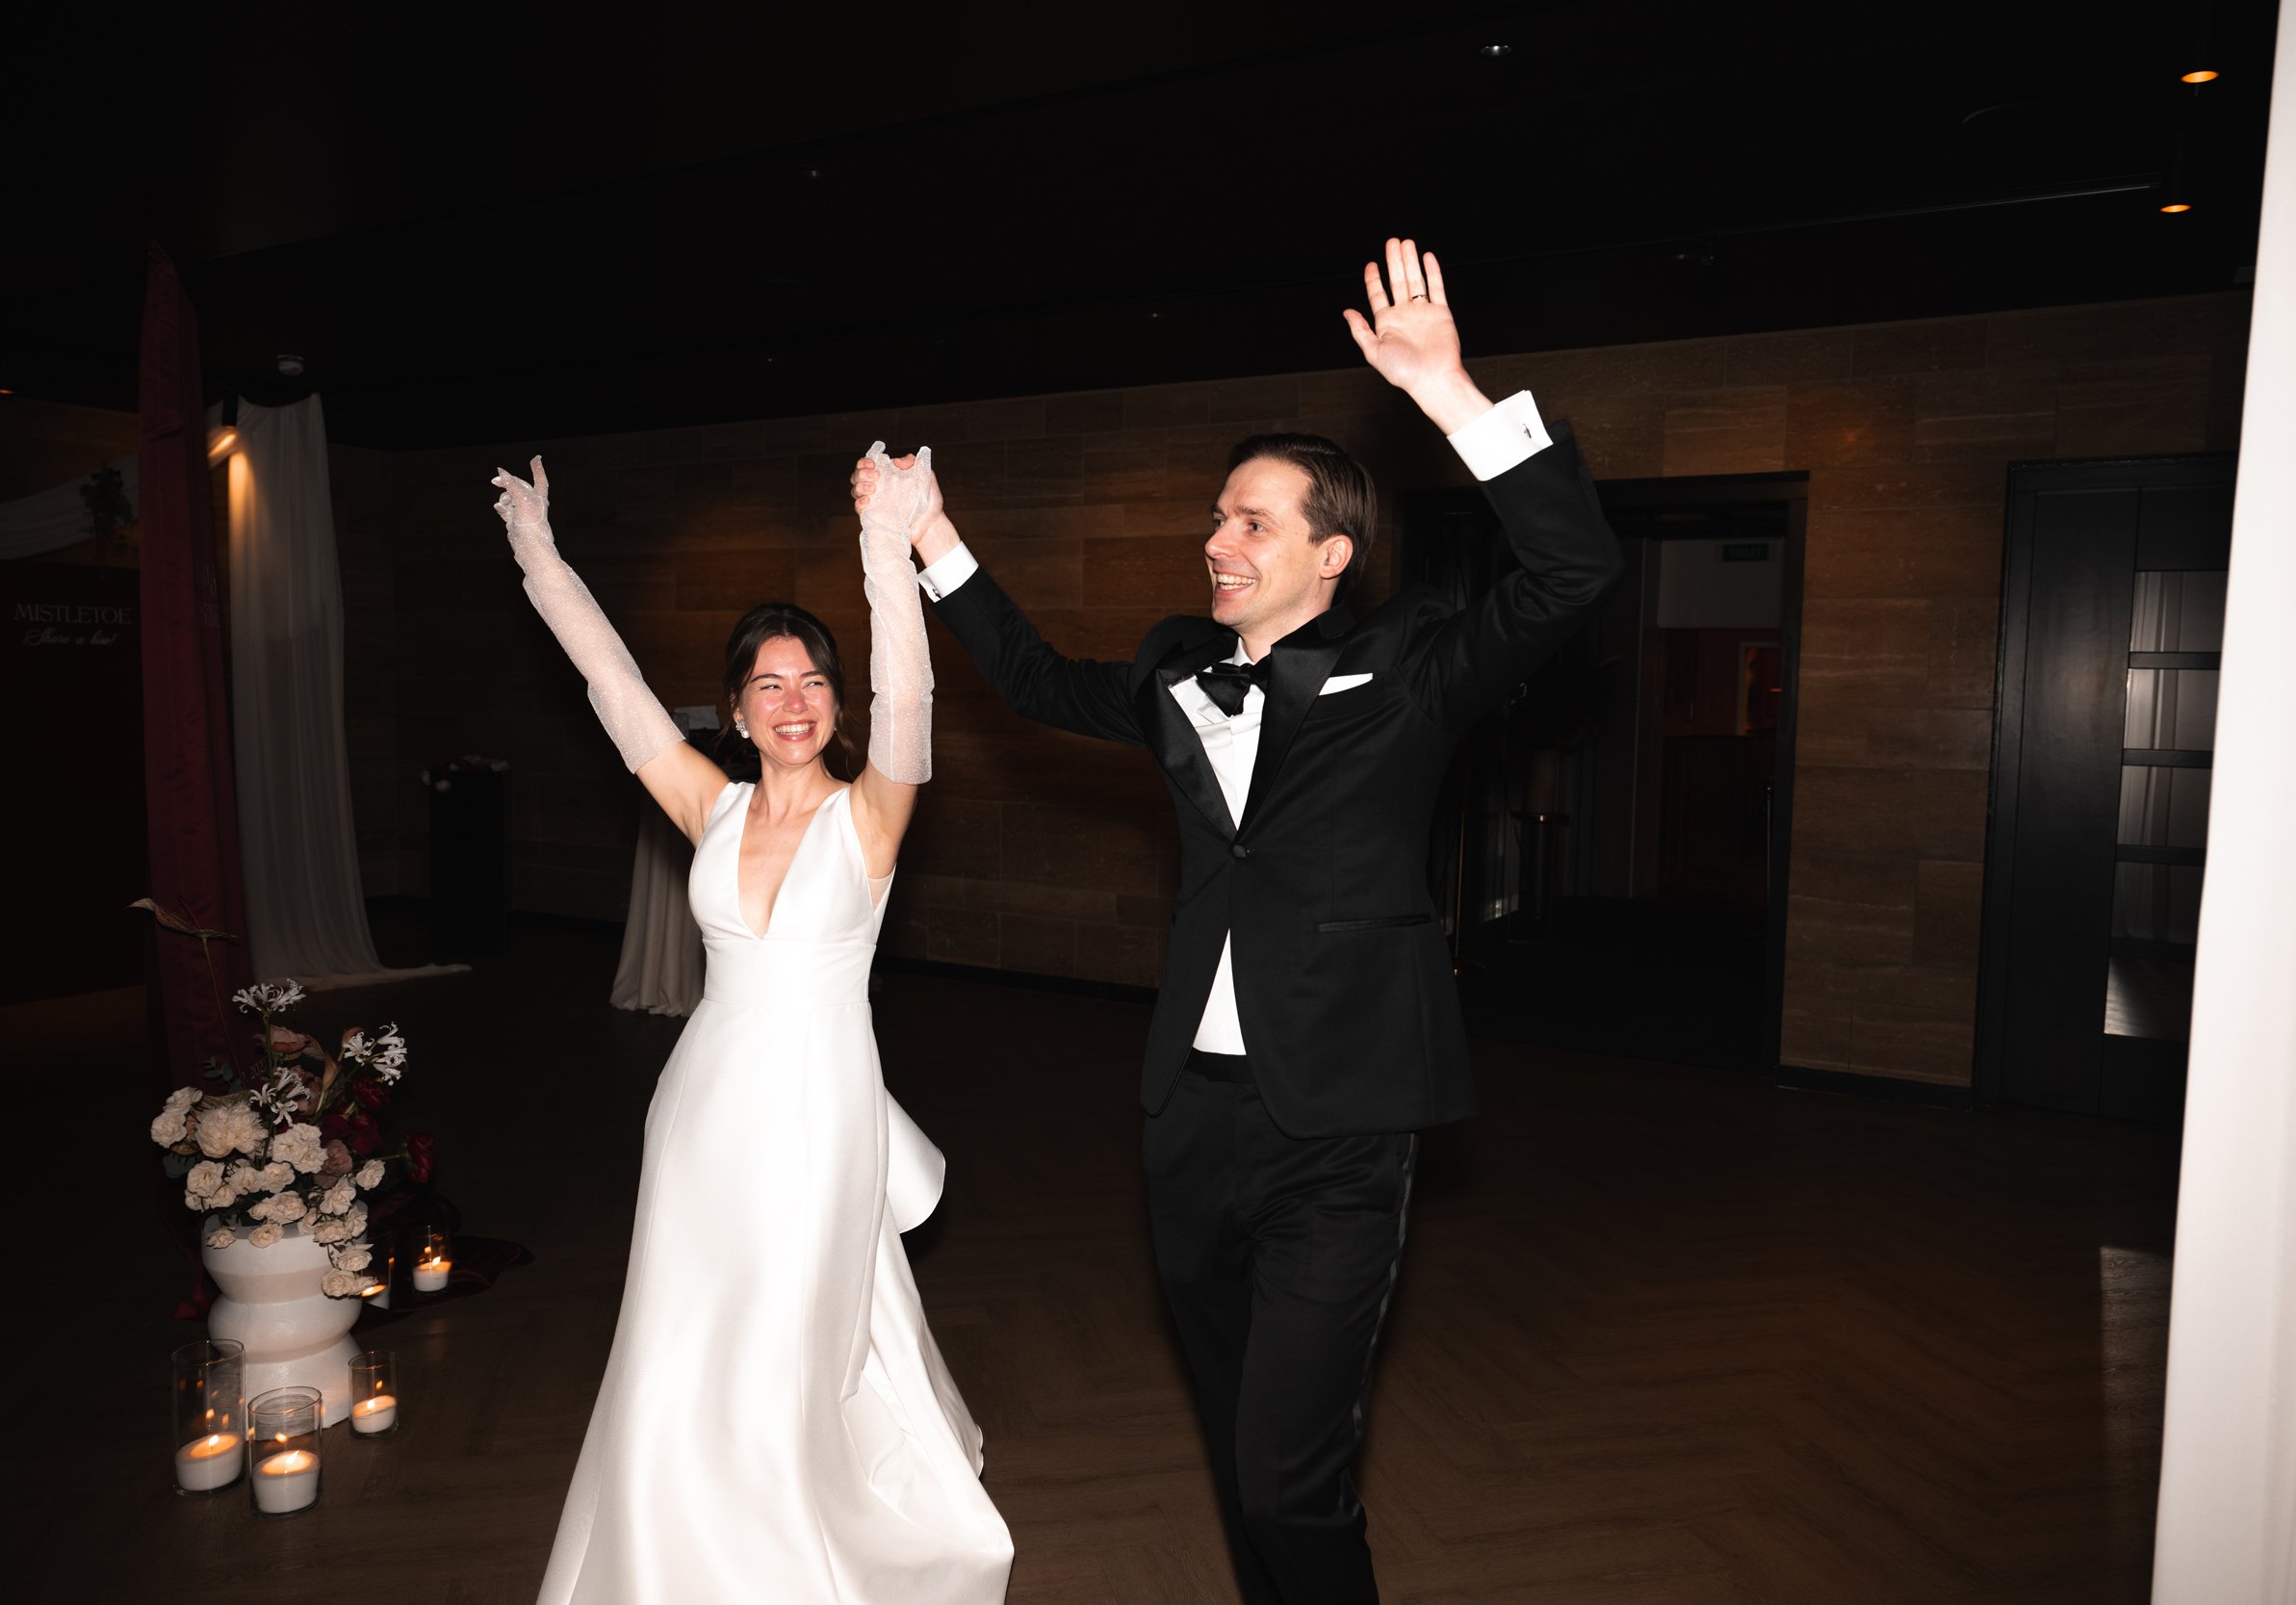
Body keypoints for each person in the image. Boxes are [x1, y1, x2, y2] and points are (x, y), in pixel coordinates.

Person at [852, 238, 1620, 1604]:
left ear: (1332, 553)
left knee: (1288, 1471)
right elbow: (1033, 678)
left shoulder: (1411, 667)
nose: (1219, 540)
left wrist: (1449, 394)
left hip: (1341, 1120)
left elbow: (1572, 571)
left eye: (1254, 523)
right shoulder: (1176, 670)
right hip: (1189, 1121)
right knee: (1238, 1436)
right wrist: (930, 534)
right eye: (1219, 516)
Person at [492, 448, 1013, 1603]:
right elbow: (612, 682)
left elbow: (911, 696)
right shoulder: (709, 805)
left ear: (837, 702)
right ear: (734, 708)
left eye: (813, 681)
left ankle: (793, 1555)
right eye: (769, 684)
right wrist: (541, 558)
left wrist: (885, 542)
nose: (794, 701)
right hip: (702, 1111)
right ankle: (675, 1549)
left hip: (820, 1113)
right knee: (682, 1329)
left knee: (788, 1336)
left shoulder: (871, 815)